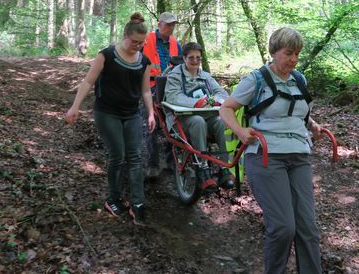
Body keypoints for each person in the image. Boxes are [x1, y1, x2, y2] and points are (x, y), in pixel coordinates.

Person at [219, 28, 327, 274]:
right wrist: (240, 131)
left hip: (299, 155)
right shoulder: (255, 80)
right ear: (274, 51)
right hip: (266, 156)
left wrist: (313, 124)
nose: (293, 59)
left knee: (307, 228)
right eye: (289, 53)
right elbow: (225, 109)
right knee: (283, 227)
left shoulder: (299, 79)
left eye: (297, 54)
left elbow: (298, 111)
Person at [65, 12, 155, 226]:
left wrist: (150, 113)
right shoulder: (107, 55)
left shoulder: (144, 61)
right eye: (134, 42)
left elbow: (145, 91)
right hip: (107, 113)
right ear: (124, 36)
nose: (138, 46)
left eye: (141, 43)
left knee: (135, 157)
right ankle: (113, 198)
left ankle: (137, 203)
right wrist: (75, 107)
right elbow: (88, 82)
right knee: (118, 156)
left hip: (132, 113)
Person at [164, 42, 234, 192]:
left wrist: (216, 100)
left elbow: (221, 93)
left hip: (207, 115)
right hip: (182, 119)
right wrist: (196, 103)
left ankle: (224, 168)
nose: (195, 61)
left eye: (198, 58)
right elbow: (172, 96)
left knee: (221, 121)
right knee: (198, 121)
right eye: (191, 58)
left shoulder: (205, 76)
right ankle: (202, 169)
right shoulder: (175, 75)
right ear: (184, 58)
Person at [142, 12, 182, 179]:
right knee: (151, 125)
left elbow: (181, 65)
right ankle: (152, 164)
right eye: (167, 24)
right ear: (159, 24)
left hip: (170, 89)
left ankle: (170, 161)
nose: (170, 28)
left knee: (172, 124)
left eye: (173, 25)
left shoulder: (175, 43)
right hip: (149, 87)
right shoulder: (147, 39)